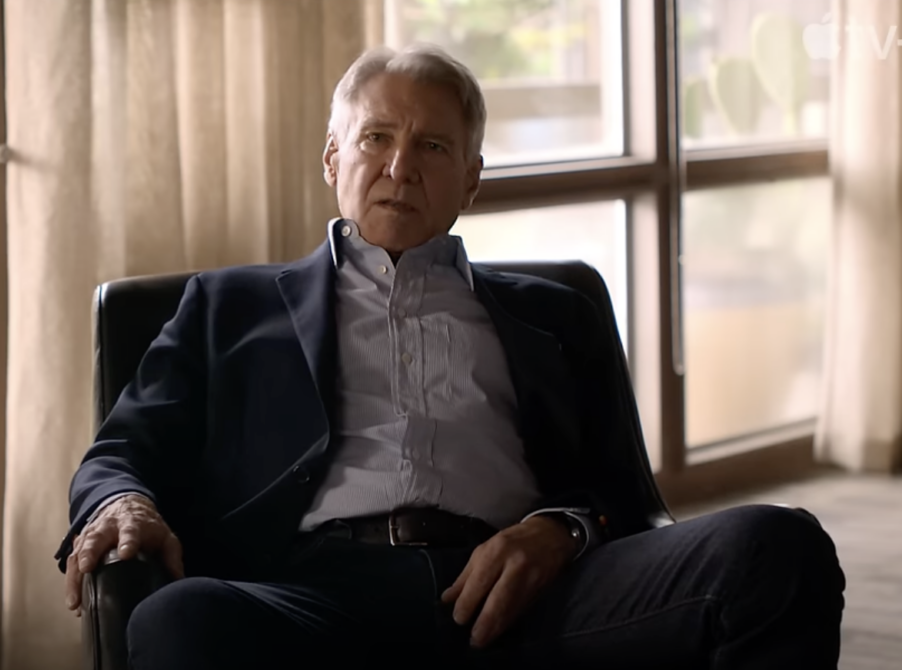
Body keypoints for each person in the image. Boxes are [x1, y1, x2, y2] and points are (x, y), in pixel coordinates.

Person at [55, 44, 845, 669]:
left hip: (526, 592)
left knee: (775, 549)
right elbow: (122, 451)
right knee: (179, 621)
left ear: (471, 180)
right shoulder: (228, 305)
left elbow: (622, 495)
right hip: (312, 593)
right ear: (333, 158)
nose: (401, 168)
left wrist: (563, 528)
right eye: (376, 138)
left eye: (433, 146)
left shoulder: (555, 312)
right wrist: (124, 504)